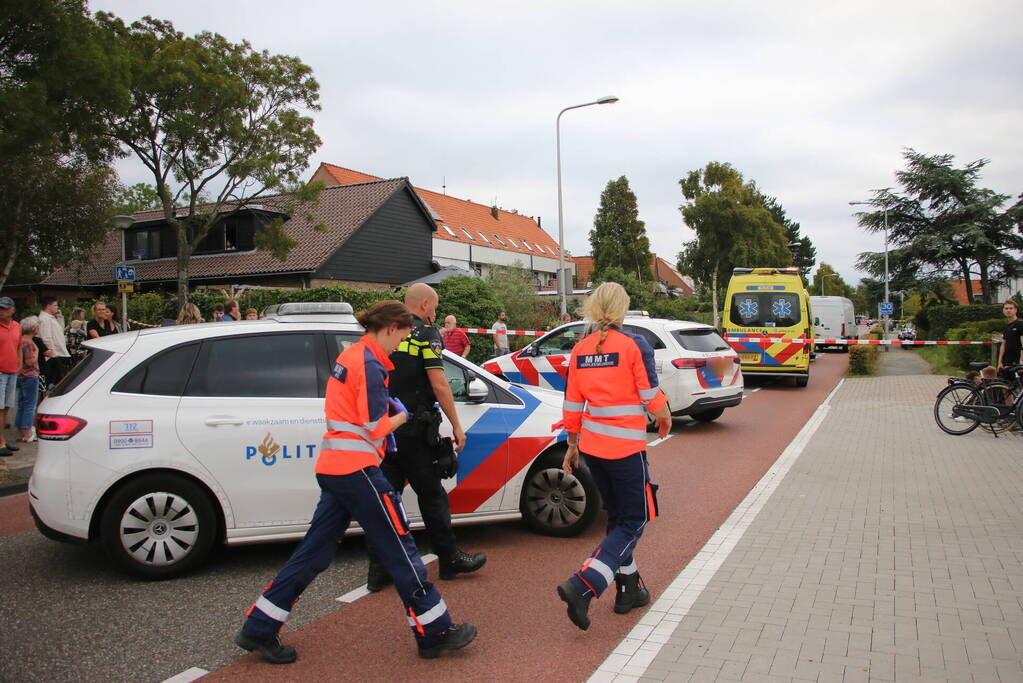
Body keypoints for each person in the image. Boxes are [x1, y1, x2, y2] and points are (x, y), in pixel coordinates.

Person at [235, 300, 477, 663]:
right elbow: (372, 426)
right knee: (401, 547)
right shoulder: (370, 363)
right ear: (391, 327)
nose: (401, 344)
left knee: (313, 553)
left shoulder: (352, 356)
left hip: (336, 468)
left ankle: (259, 627)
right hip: (359, 469)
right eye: (402, 336)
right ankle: (435, 631)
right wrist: (402, 416)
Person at [555, 282, 671, 631]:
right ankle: (585, 585)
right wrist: (663, 415)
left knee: (617, 518)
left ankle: (628, 590)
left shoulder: (580, 349)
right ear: (622, 308)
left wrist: (572, 444)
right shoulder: (633, 344)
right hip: (625, 449)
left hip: (593, 448)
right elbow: (648, 391)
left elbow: (572, 403)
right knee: (635, 520)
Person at [367, 283, 485, 592]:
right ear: (425, 305)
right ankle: (449, 559)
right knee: (432, 495)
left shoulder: (385, 332)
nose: (434, 312)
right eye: (434, 306)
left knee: (387, 500)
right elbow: (440, 383)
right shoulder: (425, 334)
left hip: (386, 429)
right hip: (415, 430)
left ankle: (379, 570)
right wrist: (457, 426)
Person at [0, 297, 22, 457]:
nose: (1, 311)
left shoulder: (16, 326)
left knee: (6, 407)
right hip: (0, 372)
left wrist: (19, 365)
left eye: (4, 308)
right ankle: (0, 442)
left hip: (12, 370)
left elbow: (19, 347)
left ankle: (1, 439)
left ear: (12, 310)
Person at [16, 316, 41, 443]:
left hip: (20, 376)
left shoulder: (20, 340)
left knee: (21, 404)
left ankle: (21, 431)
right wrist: (37, 351)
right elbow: (30, 361)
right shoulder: (29, 343)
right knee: (29, 405)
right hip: (30, 376)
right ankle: (27, 432)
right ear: (34, 329)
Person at [37, 297, 70, 387]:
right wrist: (52, 353)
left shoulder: (51, 318)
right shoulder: (44, 319)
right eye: (55, 305)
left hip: (60, 353)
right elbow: (46, 337)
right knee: (55, 382)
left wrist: (59, 318)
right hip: (54, 355)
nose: (57, 307)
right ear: (48, 306)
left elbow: (60, 331)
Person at [997, 299, 1023, 379]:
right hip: (1007, 362)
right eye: (1006, 308)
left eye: (1011, 308)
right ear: (1003, 311)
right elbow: (1003, 344)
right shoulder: (1007, 327)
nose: (1008, 310)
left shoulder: (1020, 324)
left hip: (1017, 362)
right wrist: (1000, 362)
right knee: (1005, 387)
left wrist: (1021, 362)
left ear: (1015, 310)